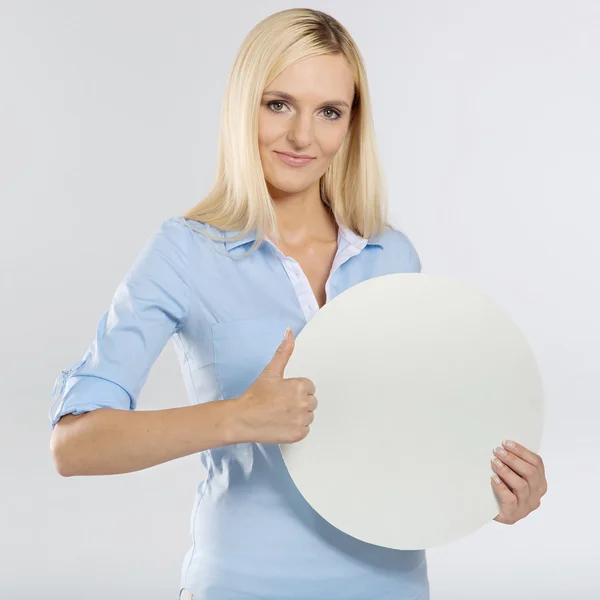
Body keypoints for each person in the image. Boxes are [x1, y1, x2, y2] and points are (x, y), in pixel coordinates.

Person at [48, 8, 427, 600]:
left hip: (389, 584)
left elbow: (416, 434)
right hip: (242, 585)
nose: (303, 136)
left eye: (330, 112)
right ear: (242, 106)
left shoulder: (392, 256)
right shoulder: (185, 251)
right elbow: (73, 446)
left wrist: (490, 487)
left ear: (351, 126)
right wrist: (236, 418)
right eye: (279, 104)